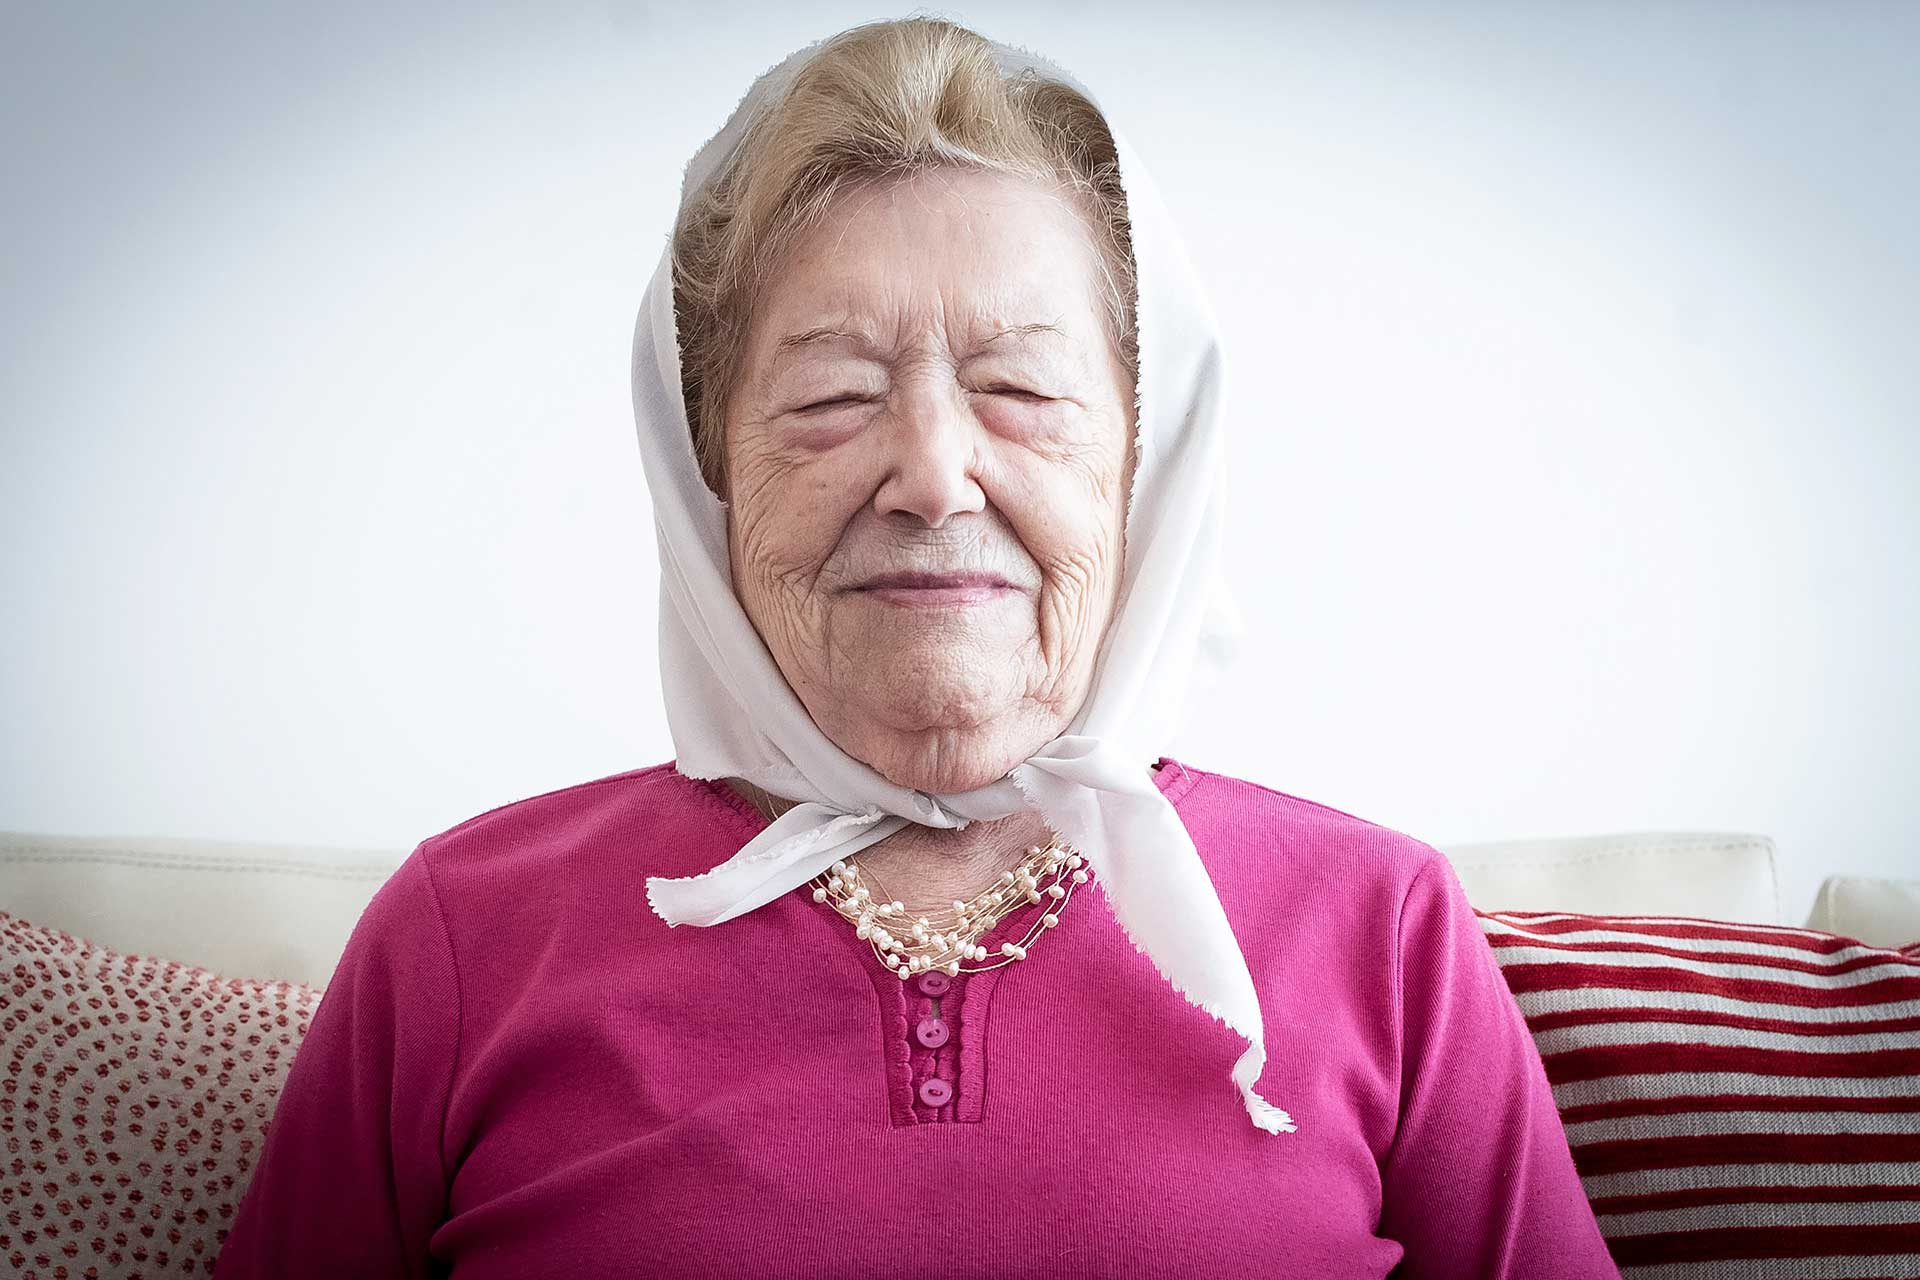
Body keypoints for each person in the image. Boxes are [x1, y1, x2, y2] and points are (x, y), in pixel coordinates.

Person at [213, 16, 1620, 1278]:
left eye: (1019, 387)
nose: (934, 476)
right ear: (707, 474)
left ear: (1147, 464)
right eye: (831, 396)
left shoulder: (1381, 923)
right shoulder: (462, 936)